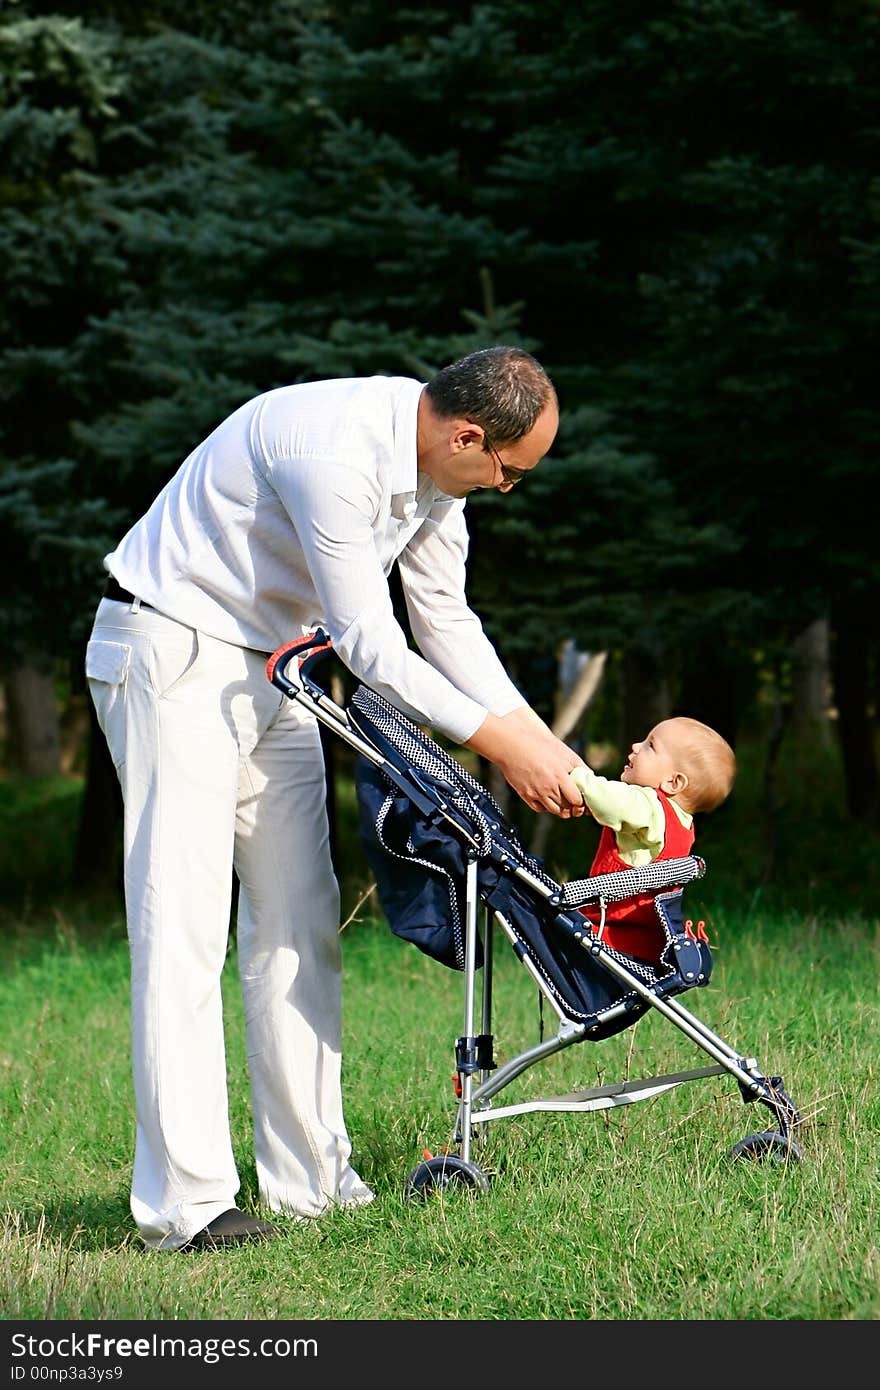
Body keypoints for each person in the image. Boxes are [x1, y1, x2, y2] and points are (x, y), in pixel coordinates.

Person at [84, 345, 587, 1251]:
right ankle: (189, 1209)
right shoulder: (335, 449)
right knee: (183, 926)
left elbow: (446, 621)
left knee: (300, 917)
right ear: (468, 435)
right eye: (509, 470)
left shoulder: (440, 474)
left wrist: (542, 747)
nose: (508, 488)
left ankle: (312, 1182)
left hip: (276, 670)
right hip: (171, 652)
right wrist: (500, 746)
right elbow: (372, 646)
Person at [569, 716, 736, 962]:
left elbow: (610, 801)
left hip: (609, 936)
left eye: (650, 746)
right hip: (647, 945)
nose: (636, 746)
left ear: (673, 782)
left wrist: (575, 776)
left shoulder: (649, 806)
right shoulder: (682, 824)